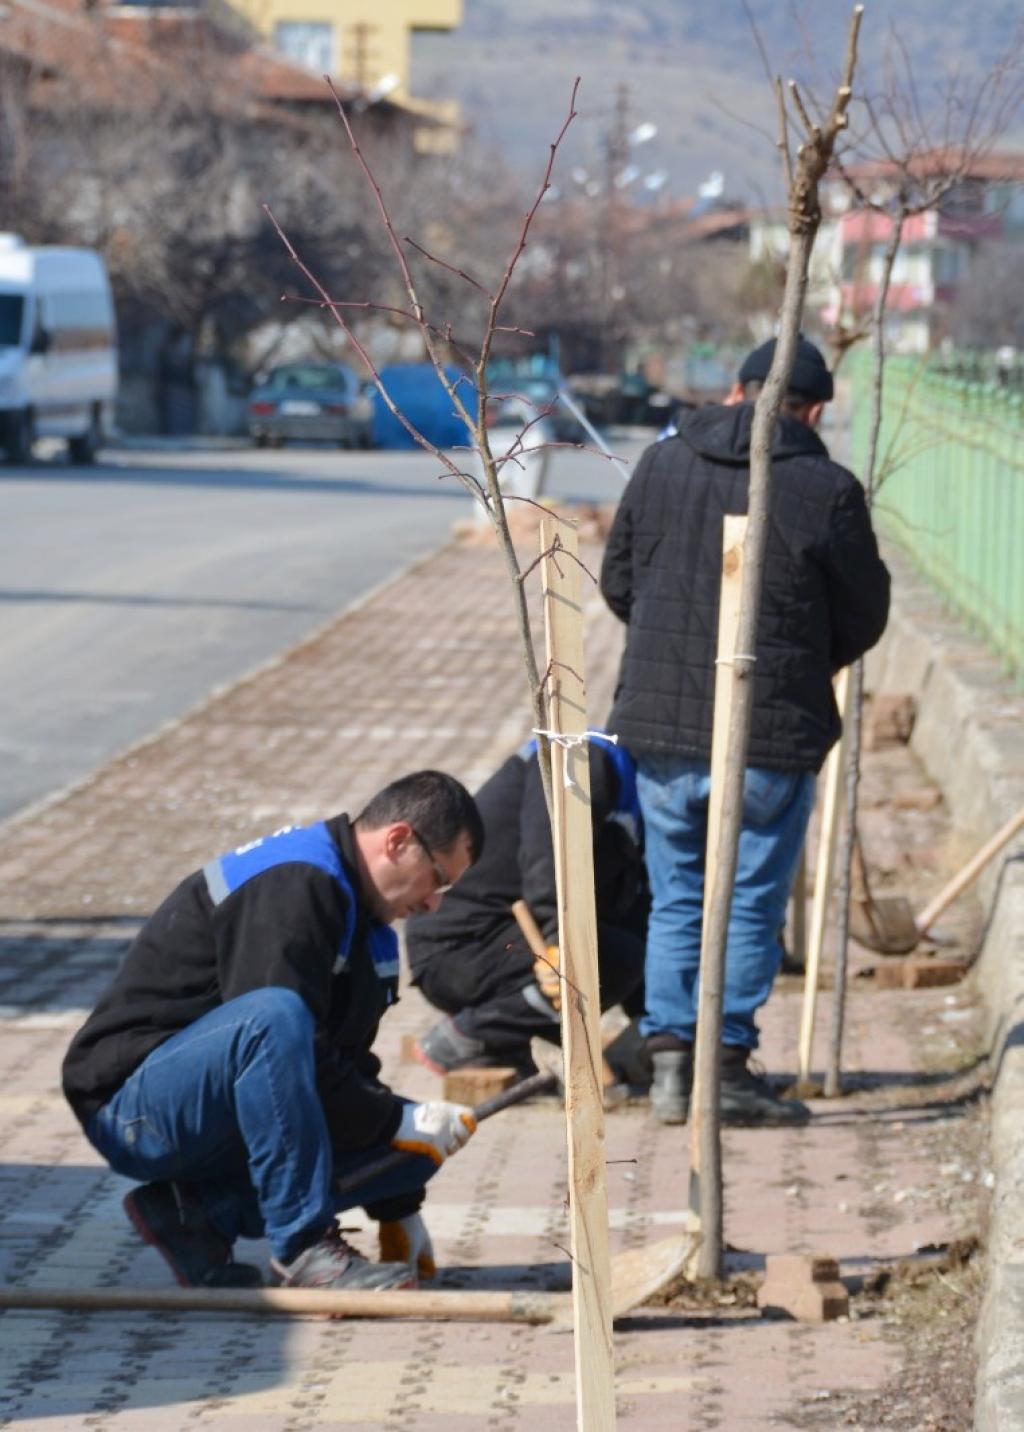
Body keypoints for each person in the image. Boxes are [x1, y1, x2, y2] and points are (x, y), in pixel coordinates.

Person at [599, 336, 890, 1126]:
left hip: (662, 732)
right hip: (772, 733)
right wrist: (801, 660)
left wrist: (672, 652)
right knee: (752, 903)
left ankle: (669, 1065)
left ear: (737, 389)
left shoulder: (661, 464)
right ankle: (724, 1066)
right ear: (814, 411)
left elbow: (619, 581)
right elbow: (864, 614)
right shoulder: (828, 488)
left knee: (676, 898)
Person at [62, 770, 486, 1291]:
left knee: (413, 1143)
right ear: (398, 841)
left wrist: (398, 1202)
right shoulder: (295, 882)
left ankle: (196, 1216)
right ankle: (304, 1248)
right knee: (278, 1019)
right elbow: (274, 1042)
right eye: (438, 879)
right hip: (135, 1109)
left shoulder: (367, 923)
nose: (433, 903)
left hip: (213, 1101)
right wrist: (391, 1120)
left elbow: (345, 1067)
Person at [406, 736, 648, 1085]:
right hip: (457, 947)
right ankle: (469, 1034)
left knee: (623, 950)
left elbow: (635, 913)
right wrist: (560, 947)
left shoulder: (634, 794)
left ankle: (506, 1045)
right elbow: (549, 861)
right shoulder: (579, 757)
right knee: (614, 959)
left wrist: (655, 1022)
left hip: (493, 941)